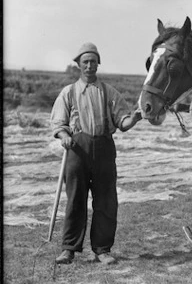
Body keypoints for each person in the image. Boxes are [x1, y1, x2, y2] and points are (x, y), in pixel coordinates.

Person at [50, 42, 142, 265]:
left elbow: (123, 122)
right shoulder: (68, 93)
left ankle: (102, 249)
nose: (90, 66)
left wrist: (136, 117)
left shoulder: (109, 92)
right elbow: (58, 124)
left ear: (98, 64)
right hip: (76, 150)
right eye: (85, 62)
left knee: (106, 200)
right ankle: (69, 249)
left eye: (93, 61)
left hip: (104, 150)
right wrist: (65, 137)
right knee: (75, 200)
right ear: (79, 65)